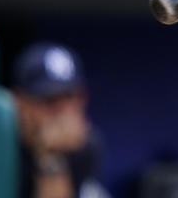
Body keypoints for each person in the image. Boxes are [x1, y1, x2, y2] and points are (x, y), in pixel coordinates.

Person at [11, 42, 107, 198]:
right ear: (20, 103)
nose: (63, 114)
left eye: (71, 98)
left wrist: (51, 159)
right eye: (50, 101)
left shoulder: (83, 147)